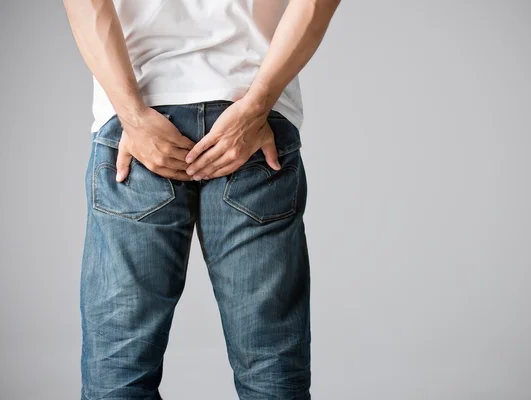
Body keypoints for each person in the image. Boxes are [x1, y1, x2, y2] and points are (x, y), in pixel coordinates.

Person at [62, 0, 341, 399]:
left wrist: (134, 116)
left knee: (119, 370)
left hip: (142, 123)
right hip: (250, 121)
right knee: (271, 365)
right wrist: (256, 106)